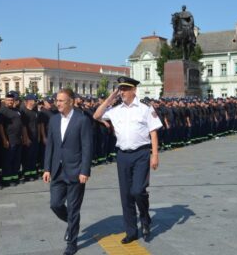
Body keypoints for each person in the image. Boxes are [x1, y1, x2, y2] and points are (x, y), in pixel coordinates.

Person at [93, 76, 163, 243]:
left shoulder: (145, 108)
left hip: (141, 154)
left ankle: (145, 218)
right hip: (123, 155)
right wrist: (110, 99)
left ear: (134, 90)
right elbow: (96, 115)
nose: (122, 92)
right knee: (126, 195)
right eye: (120, 89)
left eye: (125, 89)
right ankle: (131, 231)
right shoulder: (116, 109)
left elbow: (153, 131)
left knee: (138, 191)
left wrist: (155, 155)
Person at [42, 88, 93, 255]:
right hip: (57, 170)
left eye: (61, 100)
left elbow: (87, 147)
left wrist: (84, 170)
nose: (58, 103)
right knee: (55, 204)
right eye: (57, 100)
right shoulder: (54, 120)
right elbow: (50, 146)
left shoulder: (82, 120)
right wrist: (47, 168)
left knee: (73, 208)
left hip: (76, 171)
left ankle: (72, 243)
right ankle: (72, 223)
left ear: (71, 101)